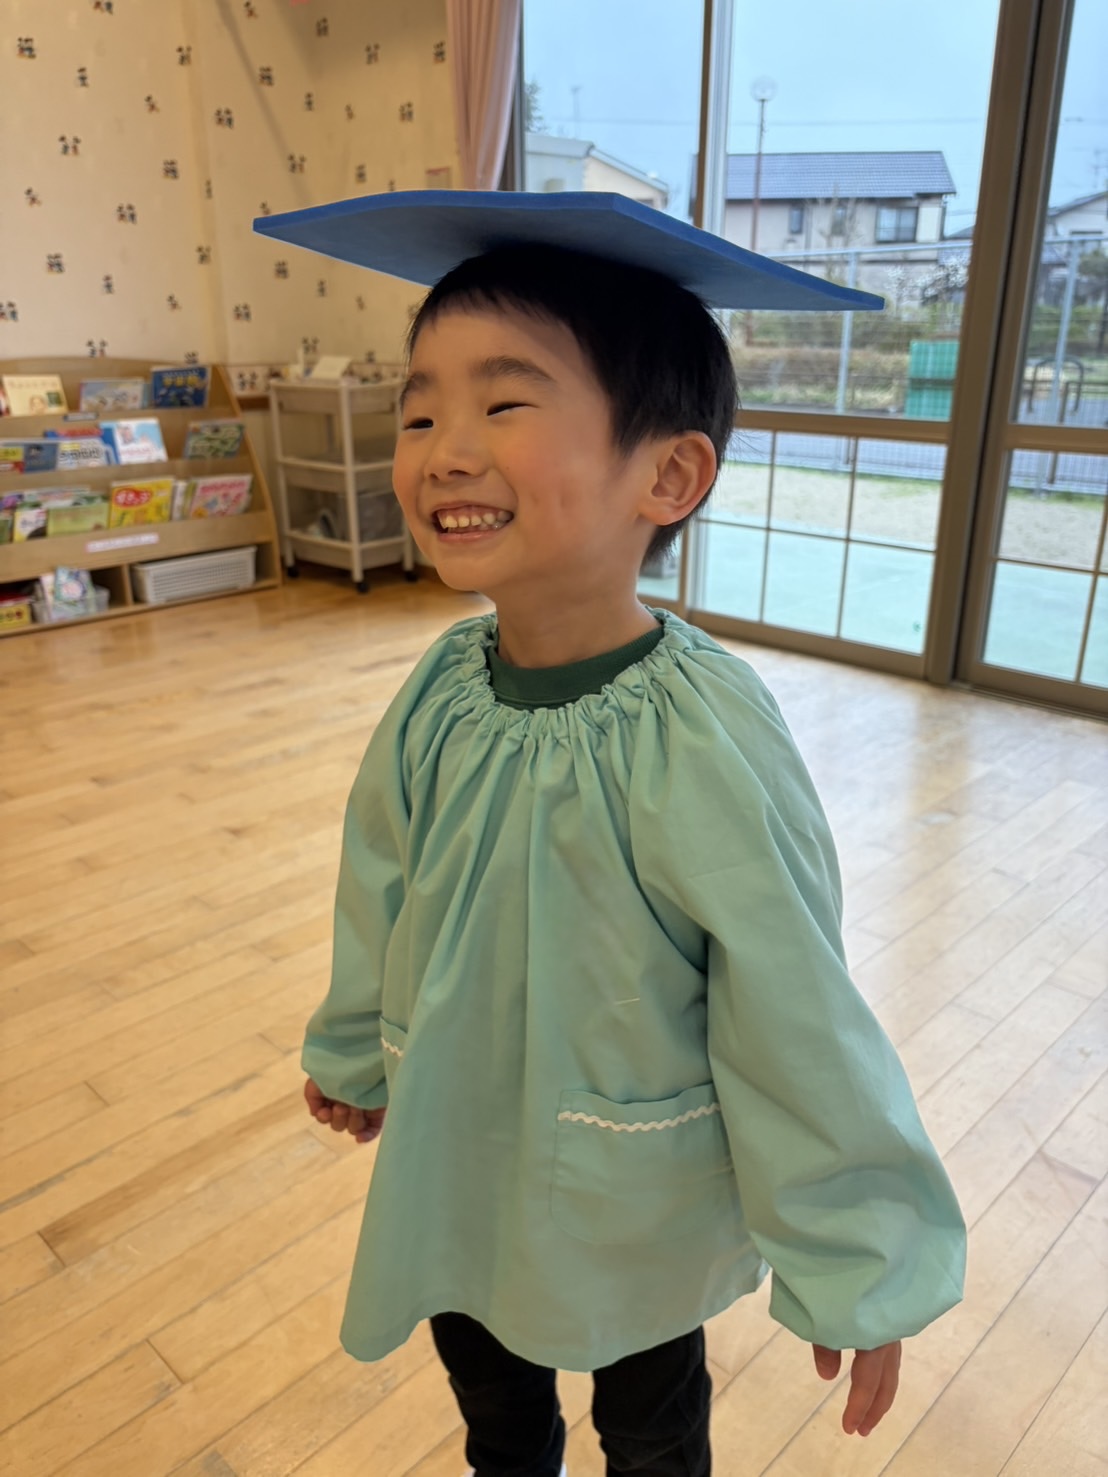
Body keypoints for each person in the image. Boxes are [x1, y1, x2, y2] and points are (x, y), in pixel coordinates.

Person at [261, 192, 968, 1477]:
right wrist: (357, 1044)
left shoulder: (701, 735)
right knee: (493, 1406)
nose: (442, 452)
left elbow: (793, 1002)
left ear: (668, 474)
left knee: (649, 1426)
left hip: (624, 1184)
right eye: (419, 413)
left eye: (503, 405)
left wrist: (858, 1251)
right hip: (456, 1152)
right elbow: (382, 879)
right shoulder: (442, 689)